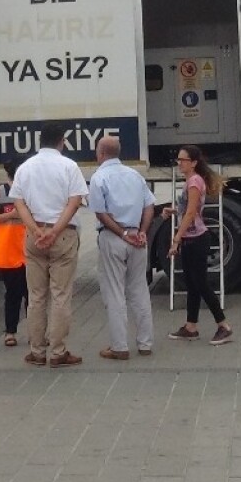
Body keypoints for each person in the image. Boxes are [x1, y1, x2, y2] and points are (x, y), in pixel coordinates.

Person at [10, 121, 89, 368]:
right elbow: (74, 201)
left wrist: (35, 230)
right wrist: (55, 231)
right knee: (60, 295)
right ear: (61, 141)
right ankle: (57, 352)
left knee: (36, 296)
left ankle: (36, 351)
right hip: (63, 235)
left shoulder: (25, 168)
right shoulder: (69, 166)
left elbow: (19, 203)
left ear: (39, 141)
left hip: (34, 236)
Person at [88, 135, 156, 360]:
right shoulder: (135, 175)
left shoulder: (99, 178)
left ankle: (119, 347)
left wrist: (122, 233)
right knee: (139, 290)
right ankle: (145, 343)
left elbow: (101, 213)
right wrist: (142, 231)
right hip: (138, 237)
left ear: (101, 153)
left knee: (115, 292)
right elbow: (149, 206)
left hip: (113, 237)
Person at [166, 145, 233, 345]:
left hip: (196, 239)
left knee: (201, 283)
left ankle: (223, 325)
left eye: (183, 160)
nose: (179, 163)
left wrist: (176, 239)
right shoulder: (190, 181)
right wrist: (172, 211)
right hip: (191, 238)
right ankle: (190, 326)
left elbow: (191, 212)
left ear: (194, 163)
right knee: (192, 284)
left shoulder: (194, 181)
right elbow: (187, 209)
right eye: (178, 159)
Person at [0, 159, 28, 346]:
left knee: (31, 294)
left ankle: (32, 332)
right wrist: (10, 215)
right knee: (14, 292)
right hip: (10, 251)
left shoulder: (31, 191)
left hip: (27, 250)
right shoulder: (1, 192)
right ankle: (10, 331)